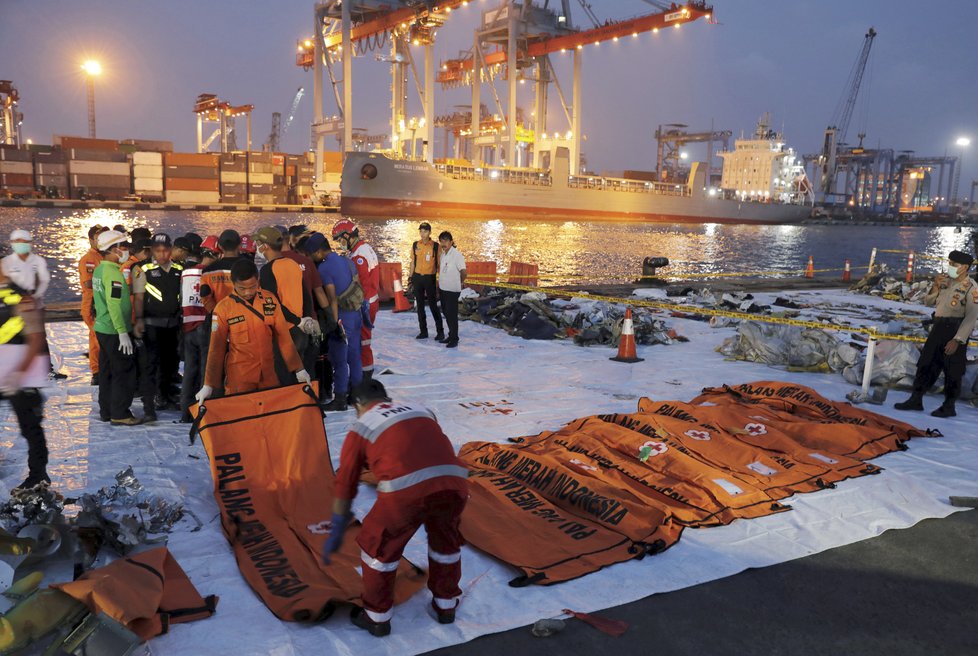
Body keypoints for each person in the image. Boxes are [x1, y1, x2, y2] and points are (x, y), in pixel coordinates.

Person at [321, 379, 468, 637]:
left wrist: (339, 517)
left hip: (406, 493)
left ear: (357, 404)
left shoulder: (362, 426)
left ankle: (377, 618)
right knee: (445, 542)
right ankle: (446, 607)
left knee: (378, 548)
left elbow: (346, 480)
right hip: (453, 483)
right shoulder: (421, 408)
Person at [197, 259, 310, 401]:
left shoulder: (270, 300)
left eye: (252, 286)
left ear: (258, 280)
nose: (248, 292)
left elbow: (284, 338)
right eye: (242, 288)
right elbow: (216, 348)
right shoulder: (223, 309)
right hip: (240, 378)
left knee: (270, 419)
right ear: (233, 283)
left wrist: (299, 369)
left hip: (268, 376)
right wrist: (209, 384)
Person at [895, 250, 978, 417]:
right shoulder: (946, 282)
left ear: (965, 267)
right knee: (926, 363)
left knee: (952, 370)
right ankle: (916, 399)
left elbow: (971, 317)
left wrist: (958, 340)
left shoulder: (972, 288)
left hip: (955, 329)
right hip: (938, 327)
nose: (950, 267)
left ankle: (949, 406)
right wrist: (934, 285)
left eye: (954, 264)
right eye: (949, 263)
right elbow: (929, 301)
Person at [0, 270, 51, 490]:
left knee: (30, 427)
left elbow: (36, 338)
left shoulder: (23, 297)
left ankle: (38, 476)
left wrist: (20, 372)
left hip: (21, 374)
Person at [304, 232, 363, 411]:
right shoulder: (347, 260)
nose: (310, 257)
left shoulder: (324, 269)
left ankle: (340, 399)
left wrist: (334, 322)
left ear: (318, 251)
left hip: (342, 317)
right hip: (356, 314)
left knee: (339, 359)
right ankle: (357, 395)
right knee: (354, 357)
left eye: (310, 254)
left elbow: (332, 298)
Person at [252, 226, 318, 385]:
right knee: (300, 376)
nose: (256, 247)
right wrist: (305, 320)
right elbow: (306, 295)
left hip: (285, 332)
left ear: (265, 246)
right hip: (301, 331)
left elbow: (273, 304)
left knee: (283, 378)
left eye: (258, 243)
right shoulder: (292, 264)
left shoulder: (268, 270)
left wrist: (296, 321)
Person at [92, 230, 141, 426]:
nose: (127, 250)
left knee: (107, 371)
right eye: (124, 246)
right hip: (114, 331)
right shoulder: (113, 274)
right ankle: (120, 412)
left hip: (103, 328)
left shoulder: (99, 270)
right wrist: (122, 332)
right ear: (113, 250)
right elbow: (113, 304)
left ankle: (106, 410)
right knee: (124, 371)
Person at [132, 233, 183, 419]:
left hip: (173, 325)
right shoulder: (142, 269)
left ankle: (165, 396)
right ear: (152, 251)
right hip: (152, 326)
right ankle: (149, 406)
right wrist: (138, 320)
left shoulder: (179, 268)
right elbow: (138, 297)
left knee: (170, 364)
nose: (162, 254)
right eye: (158, 250)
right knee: (150, 365)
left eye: (165, 250)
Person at [332, 220, 380, 379]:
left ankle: (365, 378)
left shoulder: (359, 256)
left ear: (347, 236)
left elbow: (359, 285)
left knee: (363, 342)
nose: (340, 243)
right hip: (371, 301)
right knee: (364, 341)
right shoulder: (365, 249)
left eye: (340, 239)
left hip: (364, 304)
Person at [178, 241, 217, 422]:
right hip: (204, 325)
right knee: (205, 372)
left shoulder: (185, 272)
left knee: (189, 371)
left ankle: (185, 411)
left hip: (188, 325)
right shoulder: (210, 273)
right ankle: (202, 411)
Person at [78, 225, 107, 385]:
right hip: (92, 305)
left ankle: (101, 369)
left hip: (101, 303)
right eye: (98, 239)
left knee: (100, 338)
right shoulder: (89, 259)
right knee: (97, 339)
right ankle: (96, 372)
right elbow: (88, 283)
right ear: (91, 240)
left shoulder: (104, 257)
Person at [409, 222, 444, 341]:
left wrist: (440, 279)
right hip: (418, 277)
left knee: (433, 305)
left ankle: (440, 332)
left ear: (429, 232)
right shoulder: (415, 245)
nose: (422, 234)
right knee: (420, 306)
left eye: (425, 231)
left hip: (430, 278)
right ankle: (423, 331)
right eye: (421, 231)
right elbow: (413, 262)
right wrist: (410, 277)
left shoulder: (435, 246)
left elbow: (439, 264)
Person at [437, 231, 466, 348]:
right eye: (441, 241)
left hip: (452, 290)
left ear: (451, 242)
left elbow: (464, 272)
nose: (443, 243)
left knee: (452, 315)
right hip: (443, 288)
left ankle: (454, 339)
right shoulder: (443, 255)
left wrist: (459, 282)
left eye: (446, 241)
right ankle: (450, 335)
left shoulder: (457, 255)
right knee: (446, 313)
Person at [2, 230, 50, 300]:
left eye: (25, 241)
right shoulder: (5, 262)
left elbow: (44, 281)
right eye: (17, 241)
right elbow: (3, 283)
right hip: (11, 301)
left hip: (34, 301)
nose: (21, 244)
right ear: (12, 243)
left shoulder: (39, 260)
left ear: (30, 243)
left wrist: (35, 296)